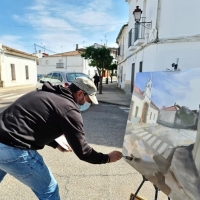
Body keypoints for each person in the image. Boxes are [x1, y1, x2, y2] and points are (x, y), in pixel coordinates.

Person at [0, 77, 122, 200]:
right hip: (13, 149)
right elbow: (84, 152)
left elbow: (34, 124)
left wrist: (56, 144)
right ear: (80, 94)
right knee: (50, 190)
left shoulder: (46, 94)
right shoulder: (69, 109)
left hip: (4, 139)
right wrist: (107, 158)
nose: (88, 104)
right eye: (88, 100)